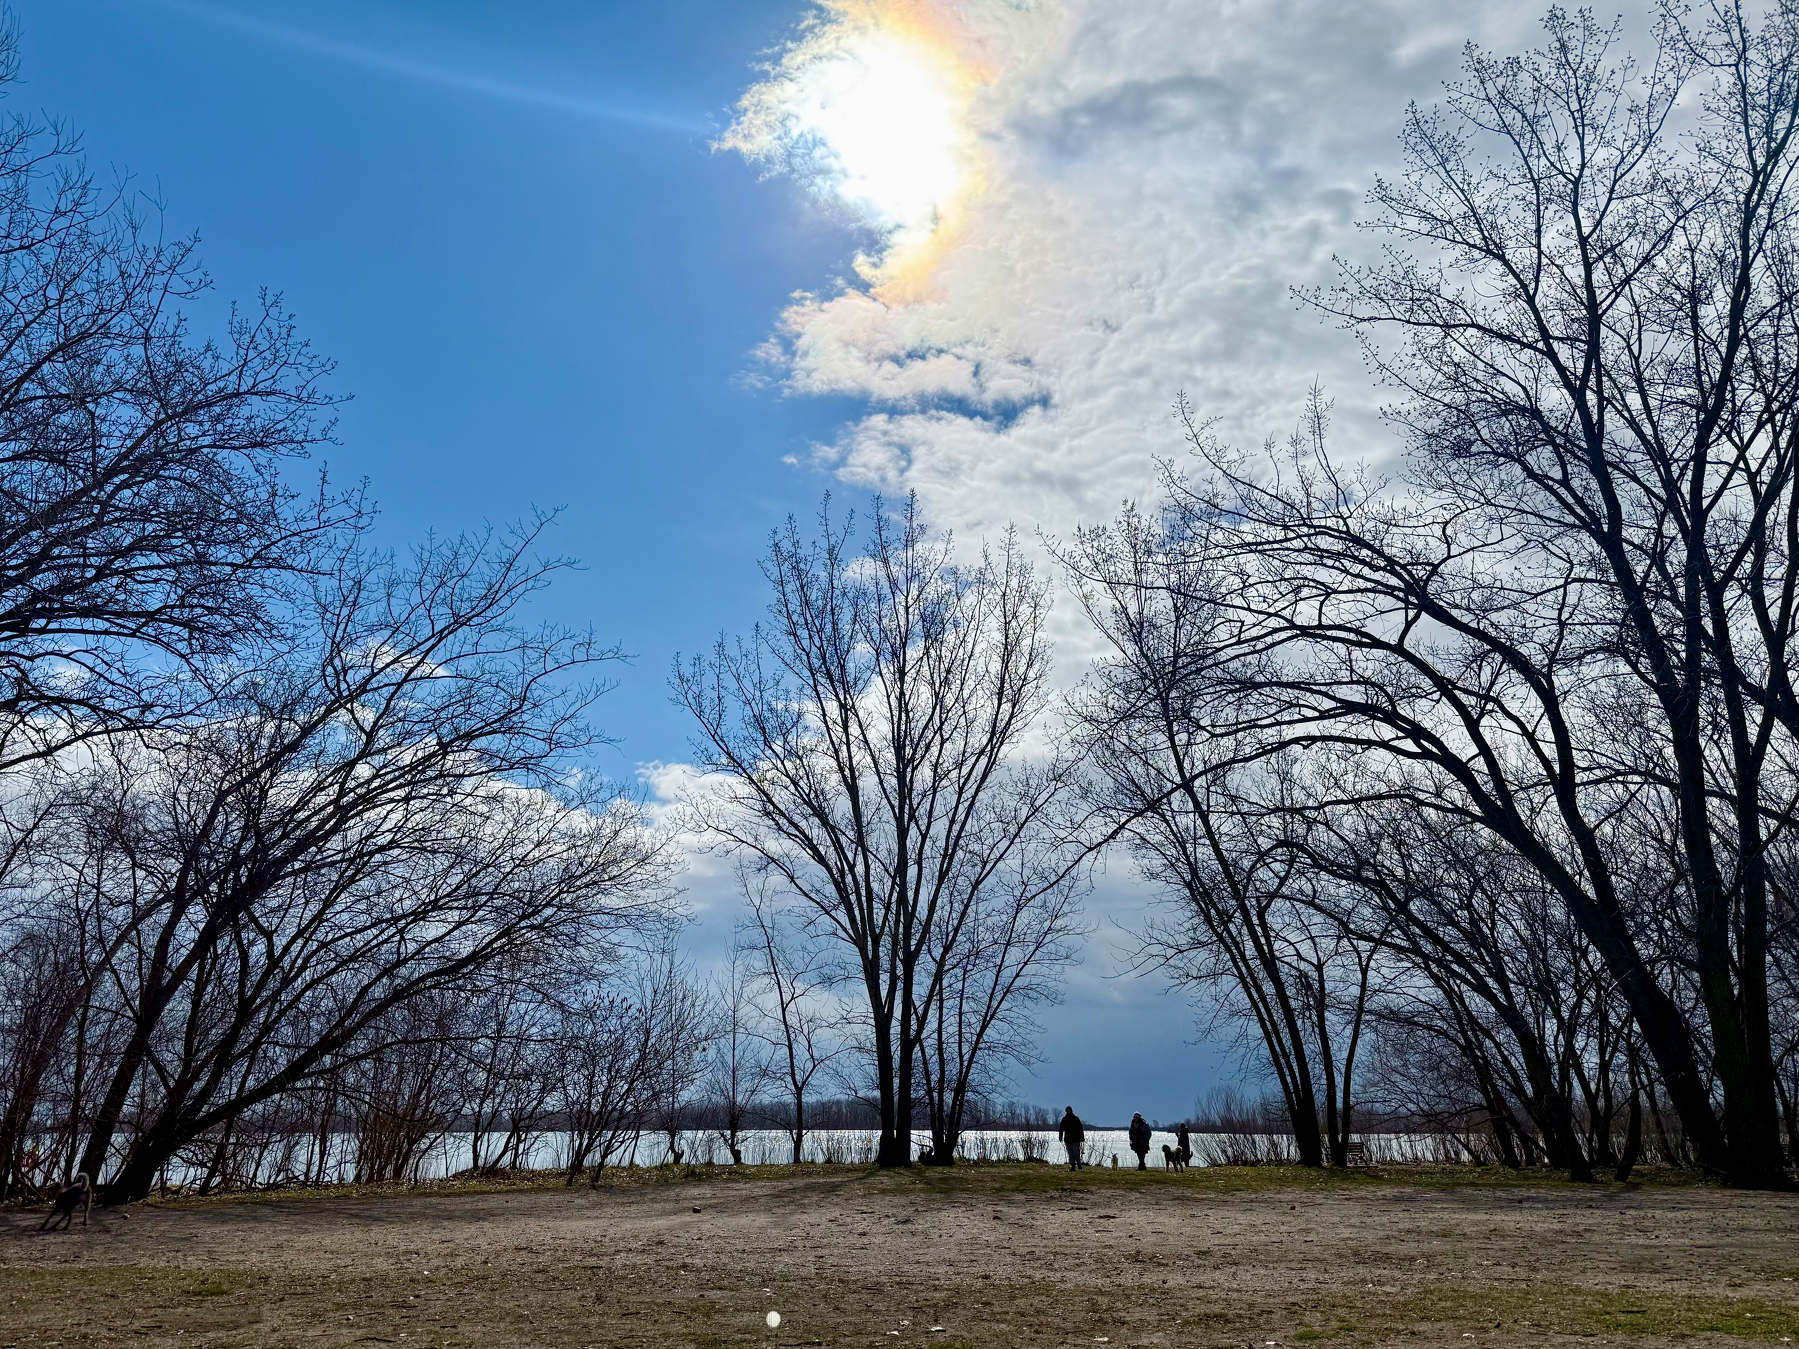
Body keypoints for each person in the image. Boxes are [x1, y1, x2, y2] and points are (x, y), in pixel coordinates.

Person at [1058, 1106, 1085, 1171]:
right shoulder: (1064, 1119)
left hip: (1076, 1139)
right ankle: (1073, 1166)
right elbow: (1061, 1129)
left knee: (1076, 1152)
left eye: (1068, 1110)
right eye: (1066, 1111)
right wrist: (1060, 1137)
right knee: (1070, 1153)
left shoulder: (1076, 1119)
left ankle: (1079, 1163)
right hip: (1068, 1139)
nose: (1067, 1112)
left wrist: (1082, 1137)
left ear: (1071, 1111)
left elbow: (1080, 1129)